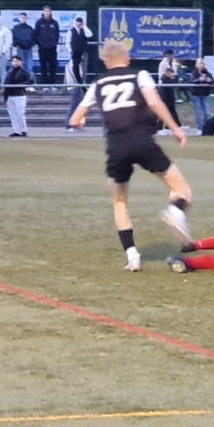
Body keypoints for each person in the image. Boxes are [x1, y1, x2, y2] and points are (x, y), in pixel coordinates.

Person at [68, 40, 193, 272]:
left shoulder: (98, 83)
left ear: (105, 62)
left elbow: (74, 119)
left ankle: (132, 255)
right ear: (126, 58)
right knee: (182, 191)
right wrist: (175, 128)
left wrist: (80, 122)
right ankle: (175, 211)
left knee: (119, 202)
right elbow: (154, 102)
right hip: (143, 141)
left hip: (116, 146)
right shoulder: (140, 75)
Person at [3, 56, 33, 137]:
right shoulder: (10, 72)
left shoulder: (24, 72)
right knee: (13, 114)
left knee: (20, 114)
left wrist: (20, 85)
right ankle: (16, 130)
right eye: (13, 61)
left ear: (20, 62)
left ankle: (23, 130)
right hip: (10, 95)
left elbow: (30, 81)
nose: (15, 63)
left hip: (19, 95)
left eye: (17, 61)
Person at [34, 6, 61, 86]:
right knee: (43, 66)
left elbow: (57, 34)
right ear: (43, 12)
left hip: (52, 49)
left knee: (53, 66)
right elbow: (36, 35)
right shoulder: (39, 22)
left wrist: (54, 43)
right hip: (42, 49)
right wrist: (40, 44)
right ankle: (44, 84)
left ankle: (52, 84)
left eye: (48, 11)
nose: (47, 12)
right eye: (45, 11)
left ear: (51, 12)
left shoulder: (55, 23)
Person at [191, 60, 214, 133]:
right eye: (200, 63)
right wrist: (199, 80)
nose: (202, 65)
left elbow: (213, 81)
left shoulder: (208, 73)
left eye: (203, 63)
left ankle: (206, 129)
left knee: (207, 113)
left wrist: (209, 81)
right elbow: (191, 81)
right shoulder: (194, 73)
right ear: (197, 65)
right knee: (198, 113)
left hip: (205, 95)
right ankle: (199, 129)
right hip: (196, 95)